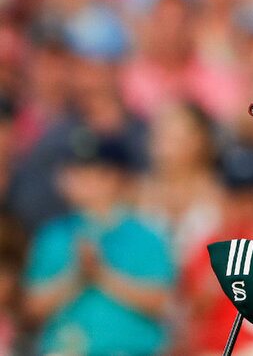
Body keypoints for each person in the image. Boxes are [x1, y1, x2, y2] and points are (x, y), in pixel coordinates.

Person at [23, 128, 175, 355]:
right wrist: (76, 276)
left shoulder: (146, 234)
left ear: (114, 177)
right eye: (73, 171)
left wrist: (102, 274)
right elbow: (32, 309)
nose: (77, 180)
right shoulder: (53, 234)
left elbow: (164, 303)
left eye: (90, 172)